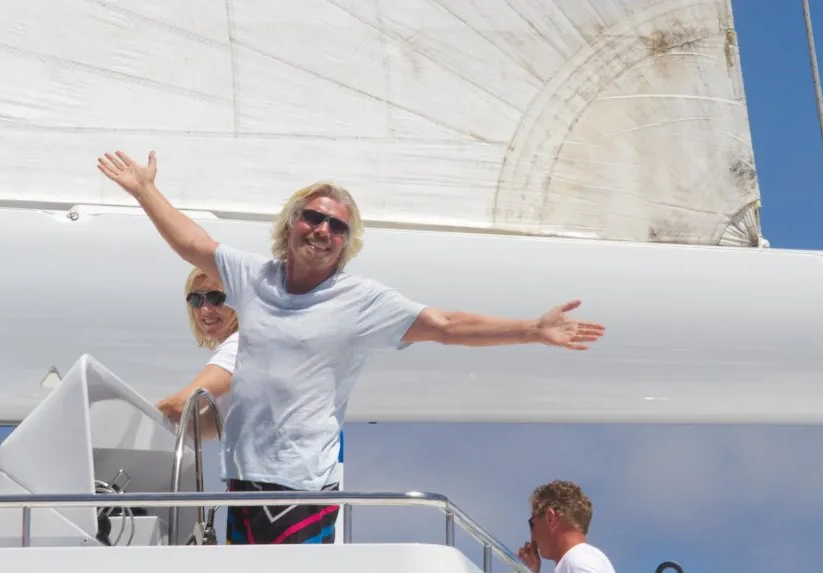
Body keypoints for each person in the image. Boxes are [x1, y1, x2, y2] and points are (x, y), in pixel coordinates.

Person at [96, 150, 606, 545]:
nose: (322, 230)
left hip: (305, 493)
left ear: (347, 242)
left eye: (337, 226)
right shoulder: (254, 277)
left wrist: (531, 329)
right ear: (290, 223)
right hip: (242, 487)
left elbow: (445, 324)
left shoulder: (361, 301)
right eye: (313, 218)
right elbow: (193, 243)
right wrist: (145, 191)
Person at [156, 267, 238, 440]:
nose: (205, 310)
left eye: (216, 298)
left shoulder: (243, 342)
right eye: (196, 300)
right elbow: (207, 427)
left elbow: (184, 402)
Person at [518, 480, 617, 573]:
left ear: (550, 518)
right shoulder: (584, 559)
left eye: (532, 523)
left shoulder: (577, 560)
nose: (532, 536)